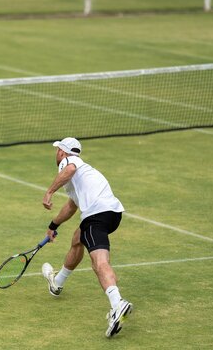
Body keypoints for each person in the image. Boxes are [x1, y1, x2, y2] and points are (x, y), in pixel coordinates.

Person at [41, 137, 132, 338]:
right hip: (112, 214)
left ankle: (117, 304)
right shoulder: (81, 176)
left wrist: (49, 192)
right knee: (77, 238)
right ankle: (57, 283)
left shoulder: (69, 164)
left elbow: (70, 169)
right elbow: (72, 205)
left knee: (99, 262)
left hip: (96, 216)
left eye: (57, 151)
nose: (56, 154)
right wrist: (53, 225)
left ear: (62, 153)